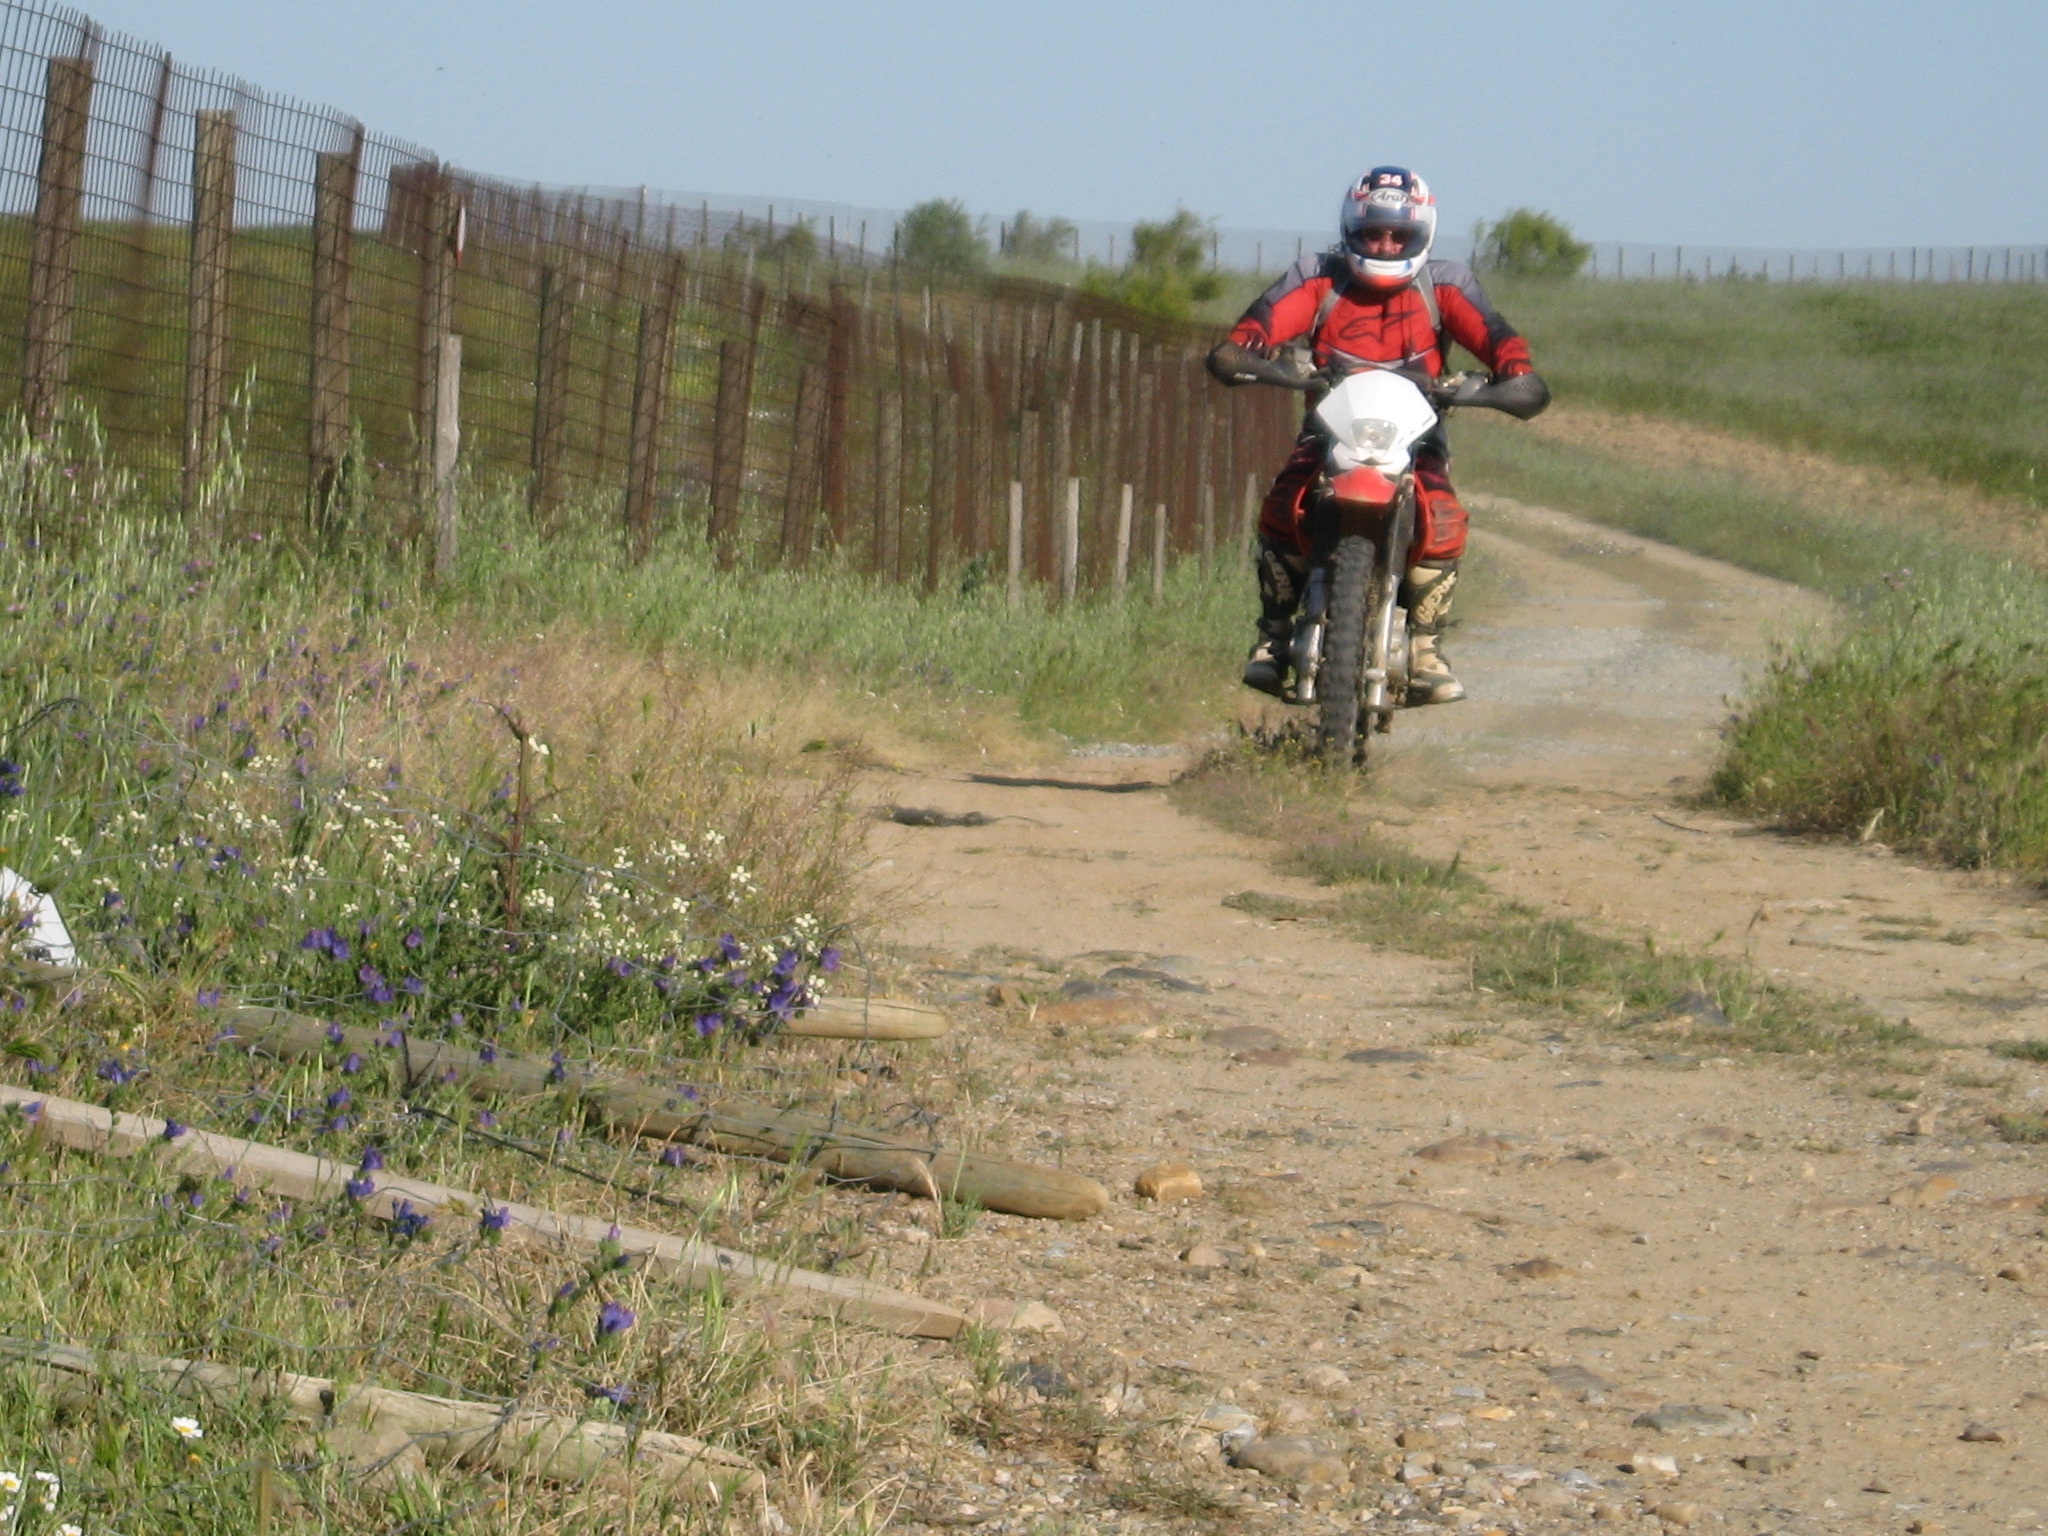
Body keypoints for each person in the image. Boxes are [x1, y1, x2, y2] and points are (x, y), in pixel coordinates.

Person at [1207, 167, 1547, 704]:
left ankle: (1427, 649)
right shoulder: (1318, 276)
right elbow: (1252, 332)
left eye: (1399, 234)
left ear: (1422, 234)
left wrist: (1511, 379)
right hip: (1328, 432)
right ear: (1350, 230)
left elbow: (1501, 342)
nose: (1385, 245)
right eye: (1372, 233)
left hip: (1417, 438)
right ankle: (1272, 637)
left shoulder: (1446, 284)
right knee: (1284, 504)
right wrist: (1253, 357)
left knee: (1443, 515)